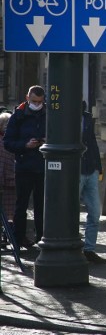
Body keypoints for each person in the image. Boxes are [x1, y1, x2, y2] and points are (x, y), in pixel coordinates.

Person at [3, 85, 46, 248]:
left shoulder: (47, 113)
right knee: (21, 205)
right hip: (24, 166)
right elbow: (8, 142)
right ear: (28, 98)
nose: (37, 104)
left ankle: (41, 238)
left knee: (41, 205)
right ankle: (18, 238)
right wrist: (25, 145)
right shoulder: (18, 116)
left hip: (43, 166)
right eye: (34, 101)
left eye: (40, 101)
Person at [80, 101, 106, 264]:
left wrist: (98, 167)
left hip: (90, 168)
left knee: (94, 212)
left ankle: (89, 249)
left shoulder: (87, 118)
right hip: (74, 170)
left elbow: (92, 144)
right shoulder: (57, 118)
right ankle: (74, 246)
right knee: (68, 213)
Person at [0, 112, 16, 249]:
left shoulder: (11, 141)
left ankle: (9, 233)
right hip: (5, 179)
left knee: (10, 209)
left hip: (11, 179)